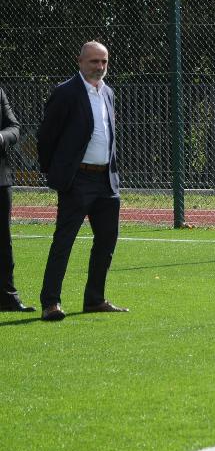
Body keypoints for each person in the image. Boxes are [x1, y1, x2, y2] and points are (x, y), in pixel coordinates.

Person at [37, 41, 127, 321]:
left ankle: (95, 299)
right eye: (94, 61)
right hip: (78, 180)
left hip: (106, 180)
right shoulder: (65, 93)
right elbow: (46, 137)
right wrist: (59, 173)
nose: (99, 66)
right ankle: (51, 303)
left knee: (107, 240)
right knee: (64, 241)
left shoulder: (108, 92)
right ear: (80, 61)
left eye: (104, 61)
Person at [1, 85, 34, 312]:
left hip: (0, 180)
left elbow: (14, 128)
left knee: (3, 241)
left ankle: (7, 297)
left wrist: (1, 136)